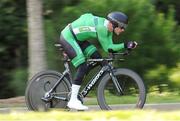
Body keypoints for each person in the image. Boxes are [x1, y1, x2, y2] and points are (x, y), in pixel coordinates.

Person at [59, 11, 137, 110]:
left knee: (99, 59)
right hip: (68, 37)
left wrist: (126, 47)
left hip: (78, 39)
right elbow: (109, 48)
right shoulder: (102, 28)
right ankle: (73, 100)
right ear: (113, 24)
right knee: (82, 66)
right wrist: (125, 45)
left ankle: (80, 79)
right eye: (122, 27)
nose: (123, 30)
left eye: (124, 27)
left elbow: (86, 15)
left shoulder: (108, 29)